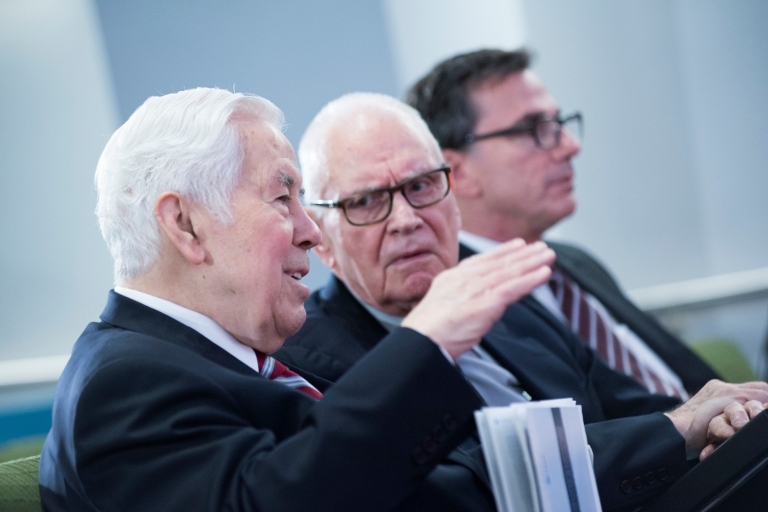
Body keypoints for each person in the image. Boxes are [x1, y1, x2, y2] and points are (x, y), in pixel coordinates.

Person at [38, 87, 556, 512]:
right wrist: (427, 341)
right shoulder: (123, 385)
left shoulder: (242, 358)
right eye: (282, 197)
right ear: (185, 225)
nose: (310, 231)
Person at [275, 92, 768, 511]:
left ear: (452, 197)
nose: (405, 219)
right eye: (366, 201)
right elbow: (481, 483)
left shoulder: (508, 300)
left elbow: (639, 407)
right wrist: (677, 429)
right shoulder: (312, 362)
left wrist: (721, 422)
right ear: (321, 242)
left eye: (421, 186)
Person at [405, 48, 721, 399]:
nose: (570, 146)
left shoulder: (573, 262)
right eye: (535, 129)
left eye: (559, 124)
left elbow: (694, 382)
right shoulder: (459, 303)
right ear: (458, 172)